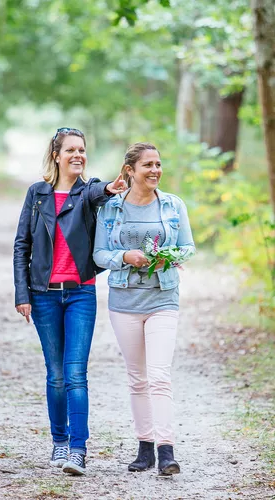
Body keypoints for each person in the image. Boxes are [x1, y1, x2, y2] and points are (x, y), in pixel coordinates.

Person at [13, 127, 126, 476]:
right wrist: (22, 294)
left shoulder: (87, 192)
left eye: (82, 149)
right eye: (71, 150)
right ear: (57, 155)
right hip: (43, 295)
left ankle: (78, 449)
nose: (78, 155)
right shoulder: (38, 193)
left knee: (76, 373)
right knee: (56, 374)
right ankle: (59, 441)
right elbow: (22, 246)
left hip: (80, 293)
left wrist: (109, 187)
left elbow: (99, 190)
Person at [93, 142, 195, 476]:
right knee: (138, 379)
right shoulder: (110, 209)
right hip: (124, 301)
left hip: (163, 298)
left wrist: (169, 256)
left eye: (158, 164)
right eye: (147, 165)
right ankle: (144, 448)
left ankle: (167, 451)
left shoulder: (172, 204)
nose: (154, 170)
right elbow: (99, 254)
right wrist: (124, 257)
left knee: (159, 376)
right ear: (130, 171)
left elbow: (188, 247)